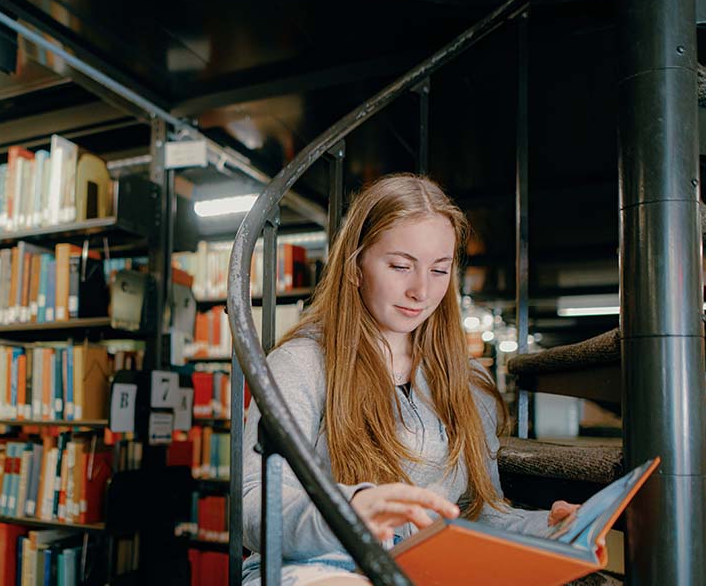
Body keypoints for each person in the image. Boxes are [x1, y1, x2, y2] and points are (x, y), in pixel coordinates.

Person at [241, 174, 579, 585]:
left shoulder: (467, 379)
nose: (421, 291)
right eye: (401, 266)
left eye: (439, 270)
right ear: (355, 267)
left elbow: (478, 512)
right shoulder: (300, 365)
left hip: (422, 570)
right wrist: (349, 509)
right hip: (317, 567)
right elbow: (254, 508)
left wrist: (549, 527)